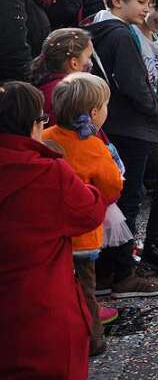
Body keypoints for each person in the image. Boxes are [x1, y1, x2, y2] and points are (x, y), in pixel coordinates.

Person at [0, 80, 108, 380]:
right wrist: (87, 187)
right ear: (29, 125)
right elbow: (89, 212)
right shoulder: (44, 171)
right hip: (39, 305)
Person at [86, 0, 158, 295]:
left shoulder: (99, 29)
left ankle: (110, 271)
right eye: (141, 2)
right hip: (134, 126)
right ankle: (123, 273)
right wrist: (156, 113)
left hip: (118, 124)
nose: (146, 9)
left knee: (127, 196)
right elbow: (134, 83)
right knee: (130, 198)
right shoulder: (120, 33)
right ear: (117, 1)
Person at [43, 73, 126, 356]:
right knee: (86, 290)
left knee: (59, 289)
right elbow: (113, 186)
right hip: (83, 235)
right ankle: (94, 340)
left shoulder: (46, 138)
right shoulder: (94, 148)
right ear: (93, 113)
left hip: (52, 232)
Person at [32, 27, 95, 118]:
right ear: (74, 63)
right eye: (89, 56)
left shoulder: (43, 83)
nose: (90, 62)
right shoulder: (70, 94)